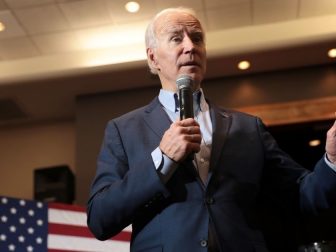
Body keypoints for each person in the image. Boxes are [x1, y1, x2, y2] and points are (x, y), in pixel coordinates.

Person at [87, 7, 336, 252]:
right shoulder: (124, 130)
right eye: (176, 38)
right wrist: (162, 159)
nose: (190, 46)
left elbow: (303, 195)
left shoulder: (249, 128)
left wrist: (332, 160)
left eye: (197, 39)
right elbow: (100, 219)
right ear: (153, 58)